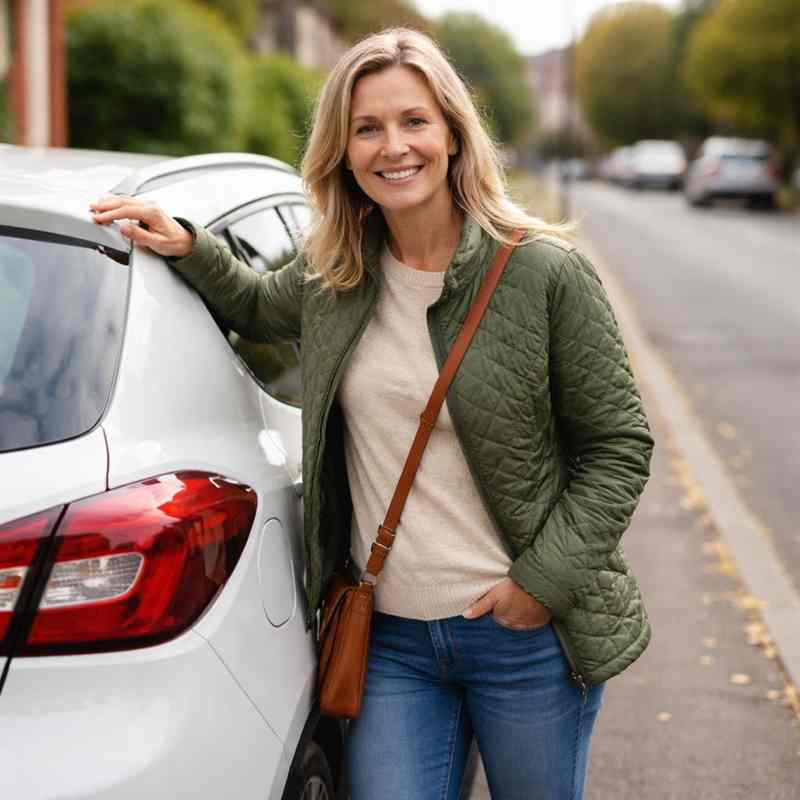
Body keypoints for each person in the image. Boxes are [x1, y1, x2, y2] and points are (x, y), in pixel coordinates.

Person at [91, 27, 654, 800]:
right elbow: (258, 306)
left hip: (522, 637)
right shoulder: (337, 272)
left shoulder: (542, 271)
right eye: (368, 128)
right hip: (388, 642)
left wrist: (542, 585)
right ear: (344, 151)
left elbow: (619, 444)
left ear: (453, 134)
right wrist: (187, 246)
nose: (394, 146)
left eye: (414, 121)